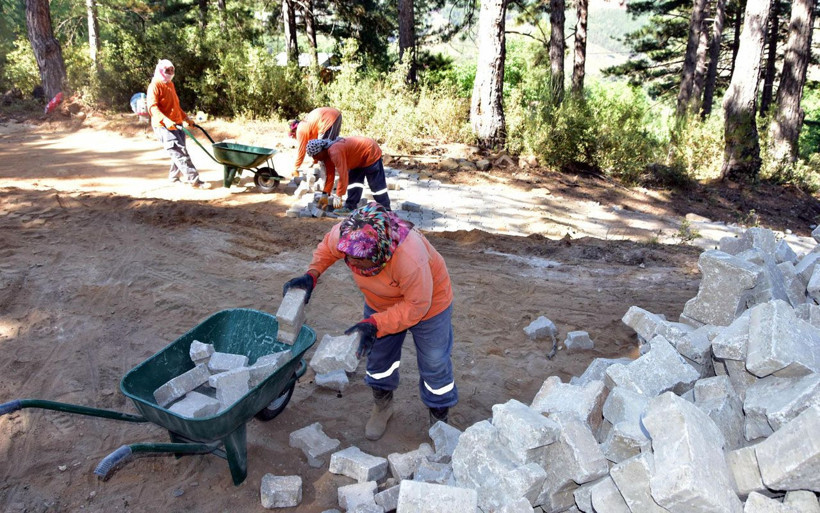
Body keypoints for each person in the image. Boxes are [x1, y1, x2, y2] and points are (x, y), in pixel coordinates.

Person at [283, 203, 457, 440]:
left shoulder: (409, 257)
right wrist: (311, 275)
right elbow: (326, 249)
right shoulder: (346, 234)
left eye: (360, 258)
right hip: (380, 303)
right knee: (379, 359)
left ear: (380, 251)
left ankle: (439, 420)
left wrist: (375, 325)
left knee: (435, 362)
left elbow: (417, 306)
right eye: (349, 256)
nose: (353, 263)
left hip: (429, 305)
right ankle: (383, 407)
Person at [147, 59, 209, 188]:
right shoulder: (155, 85)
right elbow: (152, 107)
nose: (170, 73)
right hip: (164, 126)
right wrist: (164, 120)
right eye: (167, 70)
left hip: (177, 123)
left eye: (171, 70)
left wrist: (186, 118)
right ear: (160, 71)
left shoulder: (170, 84)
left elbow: (175, 106)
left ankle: (174, 178)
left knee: (180, 151)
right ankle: (195, 181)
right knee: (180, 152)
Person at [305, 136, 390, 214]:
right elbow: (330, 175)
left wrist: (339, 196)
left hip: (370, 151)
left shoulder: (334, 151)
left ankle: (386, 209)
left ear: (321, 150)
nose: (314, 158)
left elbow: (343, 175)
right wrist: (325, 195)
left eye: (315, 155)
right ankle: (350, 207)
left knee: (376, 185)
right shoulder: (326, 156)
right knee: (354, 183)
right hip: (357, 157)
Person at [288, 107, 342, 178]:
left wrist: (295, 168)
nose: (296, 138)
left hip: (328, 119)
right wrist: (315, 161)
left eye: (294, 137)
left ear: (294, 132)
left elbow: (301, 151)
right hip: (335, 115)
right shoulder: (307, 126)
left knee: (324, 152)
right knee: (331, 147)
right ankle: (336, 173)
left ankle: (326, 180)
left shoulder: (300, 130)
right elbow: (316, 145)